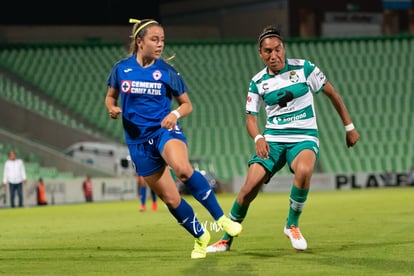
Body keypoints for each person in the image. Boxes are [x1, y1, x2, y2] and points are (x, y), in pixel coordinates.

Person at [206, 25, 360, 253]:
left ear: (284, 48)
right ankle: (226, 239)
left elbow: (333, 95)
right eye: (267, 51)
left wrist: (349, 127)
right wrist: (258, 137)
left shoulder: (305, 69)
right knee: (248, 188)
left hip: (304, 136)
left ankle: (292, 225)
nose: (273, 55)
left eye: (277, 49)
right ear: (261, 54)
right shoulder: (257, 82)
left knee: (305, 171)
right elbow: (250, 119)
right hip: (273, 140)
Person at [104, 18, 242, 259]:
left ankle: (222, 220)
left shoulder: (167, 72)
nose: (160, 45)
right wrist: (112, 108)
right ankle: (201, 237)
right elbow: (110, 97)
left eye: (162, 40)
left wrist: (174, 113)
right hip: (137, 143)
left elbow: (187, 105)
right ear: (139, 41)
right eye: (154, 40)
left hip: (164, 131)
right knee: (170, 198)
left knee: (183, 170)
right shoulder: (121, 69)